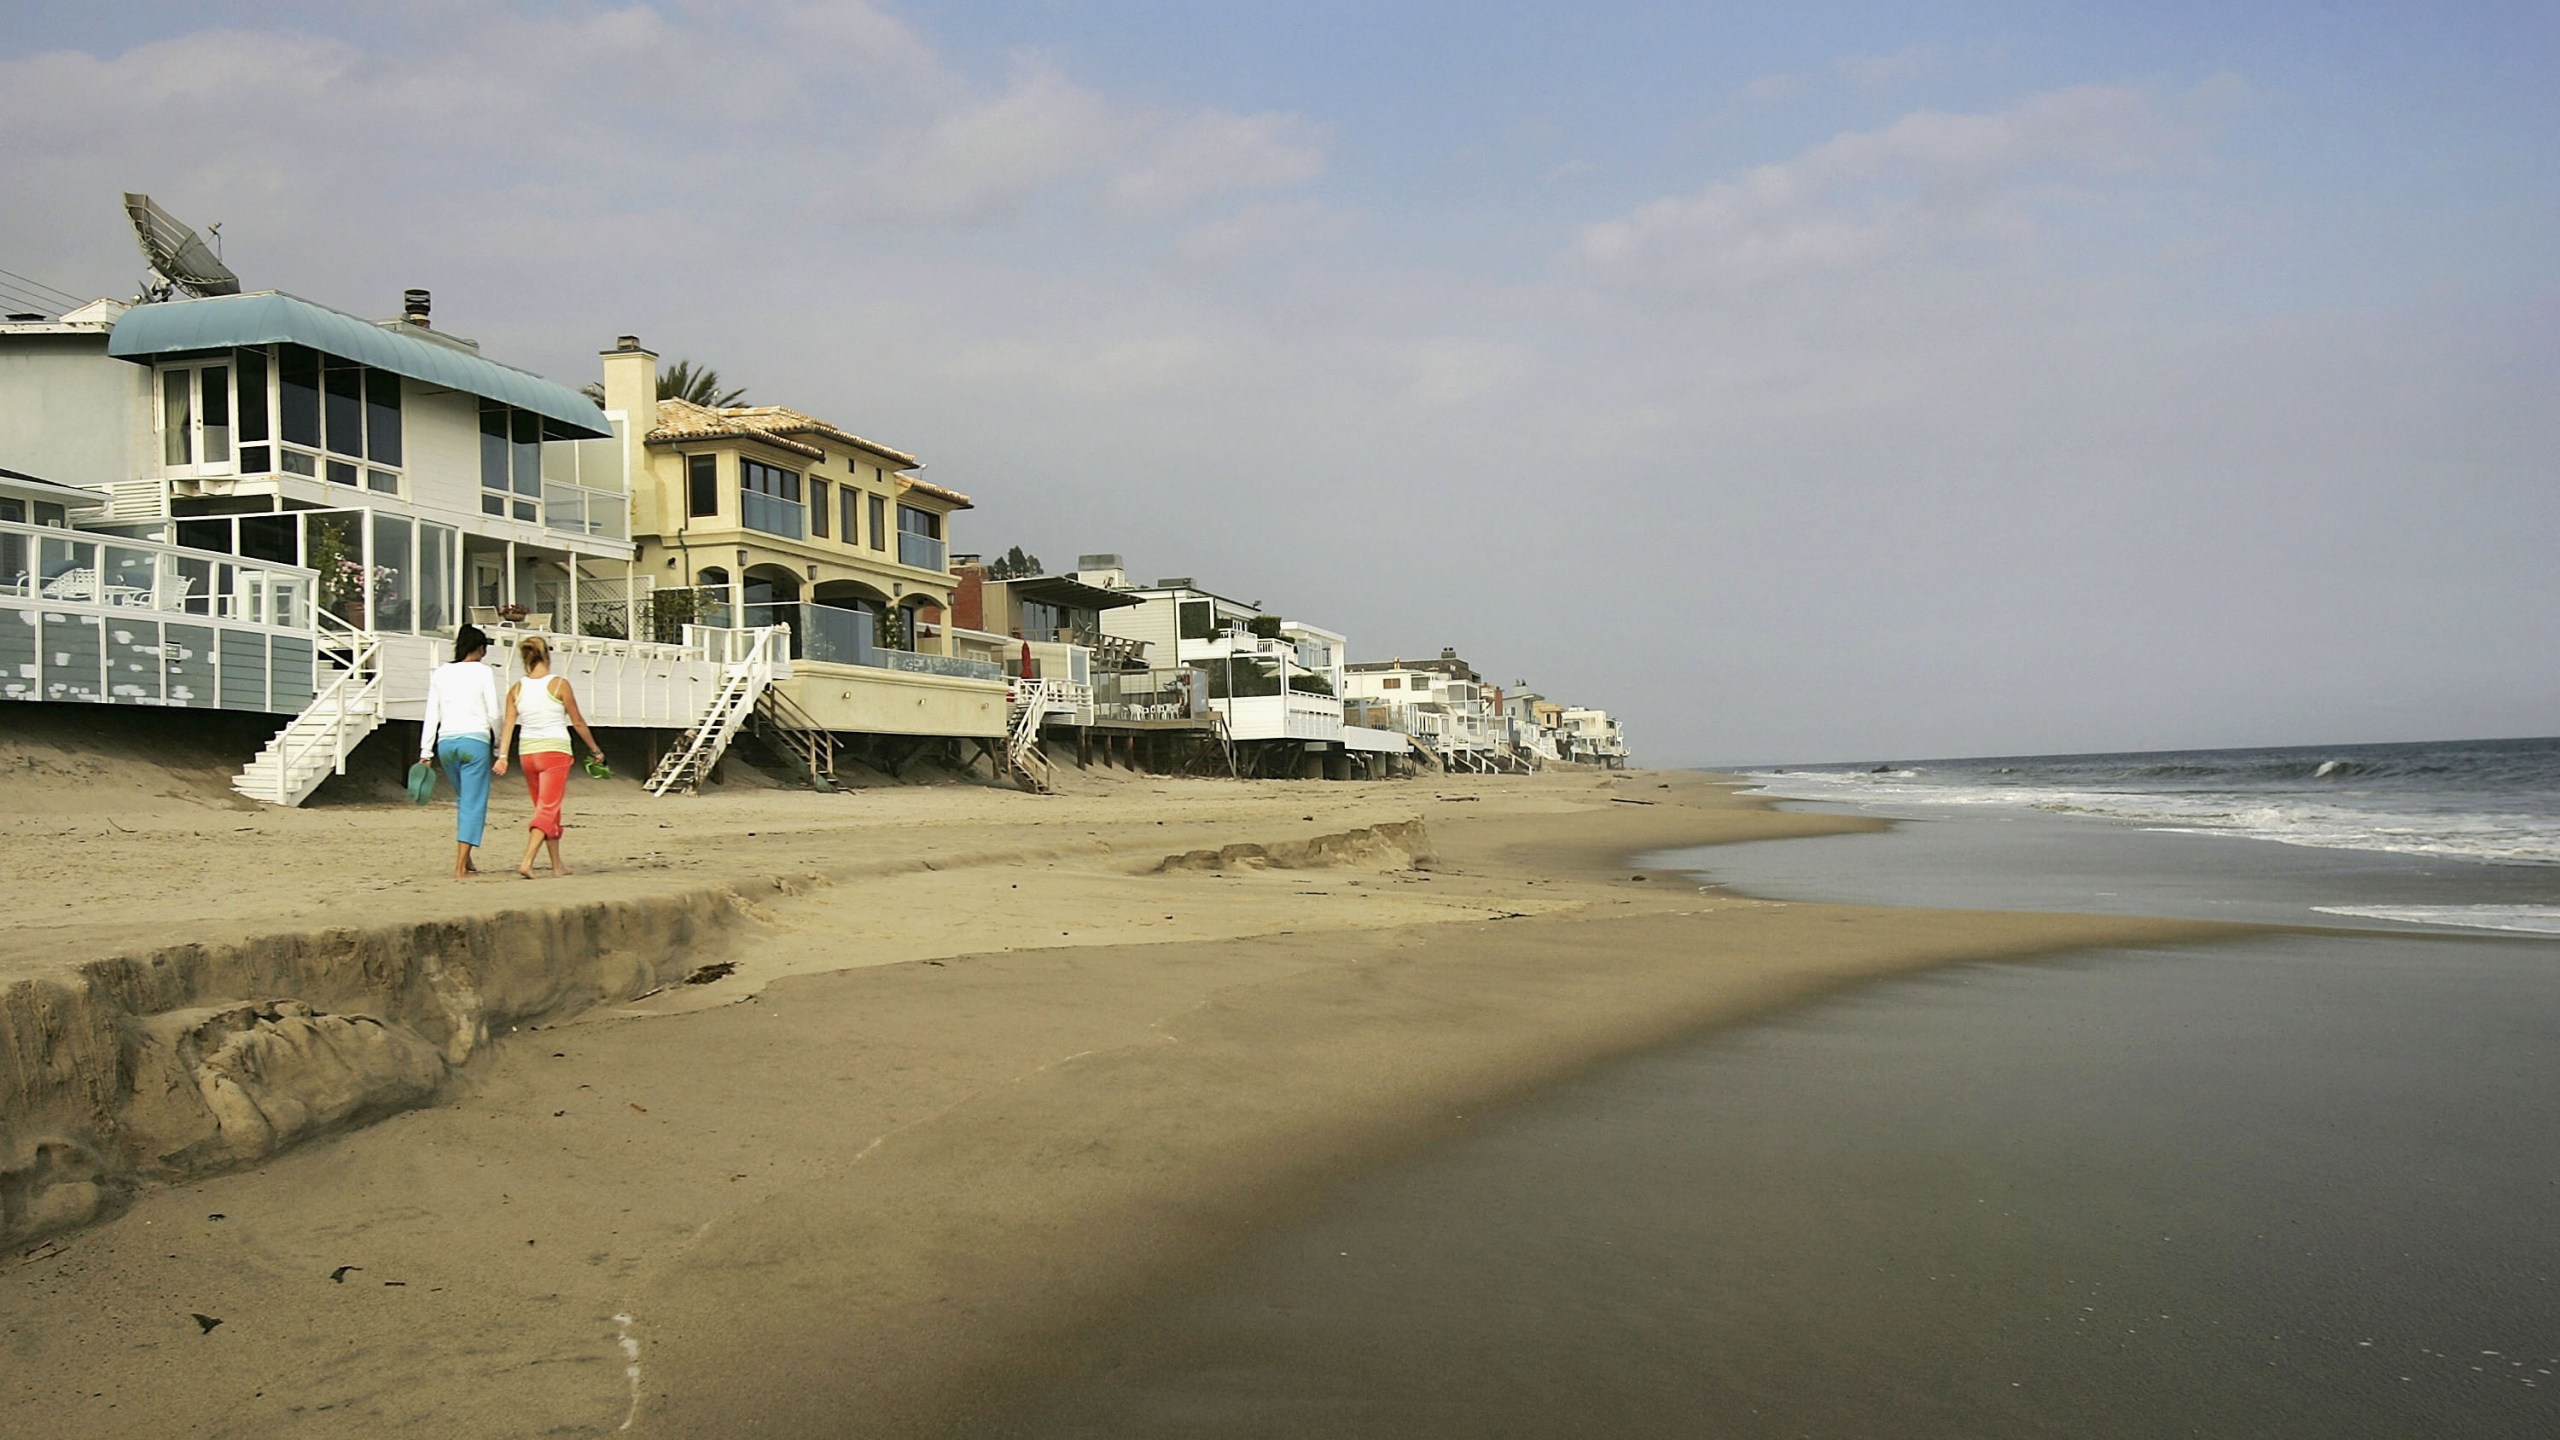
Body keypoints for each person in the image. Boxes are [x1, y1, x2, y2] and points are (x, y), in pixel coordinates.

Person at [493, 636, 608, 879]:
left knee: (546, 809)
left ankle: (557, 865)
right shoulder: (559, 685)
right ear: (547, 656)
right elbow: (577, 721)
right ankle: (527, 861)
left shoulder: (516, 689)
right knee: (548, 808)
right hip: (554, 751)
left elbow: (509, 724)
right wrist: (595, 750)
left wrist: (503, 756)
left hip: (527, 753)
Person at [419, 624, 501, 880]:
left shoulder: (441, 673)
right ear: (480, 648)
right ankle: (459, 866)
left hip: (446, 744)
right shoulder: (483, 672)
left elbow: (432, 713)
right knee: (473, 803)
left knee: (465, 800)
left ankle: (468, 859)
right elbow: (494, 713)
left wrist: (425, 751)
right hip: (474, 741)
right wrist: (498, 744)